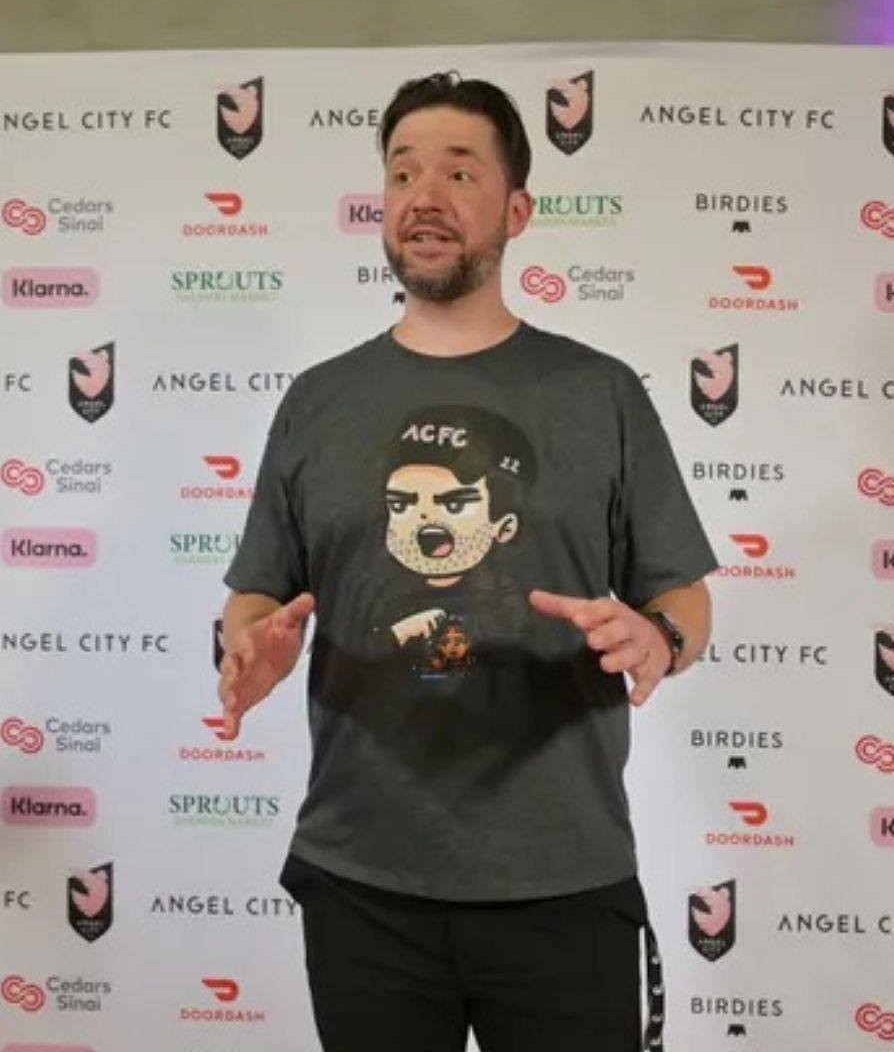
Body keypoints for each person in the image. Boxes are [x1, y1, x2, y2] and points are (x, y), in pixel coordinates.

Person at [215, 73, 716, 1051]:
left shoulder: (600, 394)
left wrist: (656, 639)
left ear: (517, 210)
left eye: (457, 171)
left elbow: (683, 594)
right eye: (402, 173)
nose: (423, 197)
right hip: (363, 884)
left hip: (563, 881)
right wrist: (250, 645)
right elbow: (254, 592)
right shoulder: (319, 402)